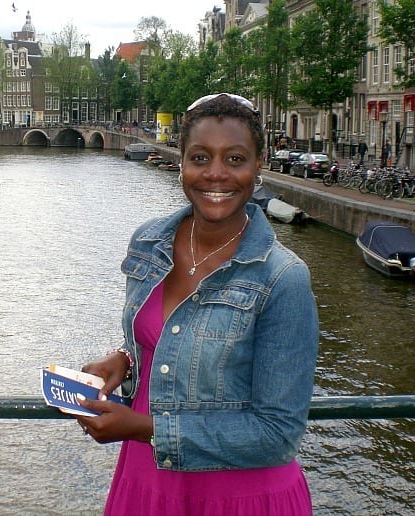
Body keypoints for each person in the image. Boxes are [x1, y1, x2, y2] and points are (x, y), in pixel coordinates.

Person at [76, 93, 320, 515]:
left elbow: (278, 434)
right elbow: (169, 338)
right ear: (182, 161)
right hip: (147, 478)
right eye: (201, 158)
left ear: (258, 165)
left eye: (236, 159)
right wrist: (125, 360)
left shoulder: (283, 278)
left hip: (238, 497)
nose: (217, 175)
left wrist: (146, 428)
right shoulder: (148, 244)